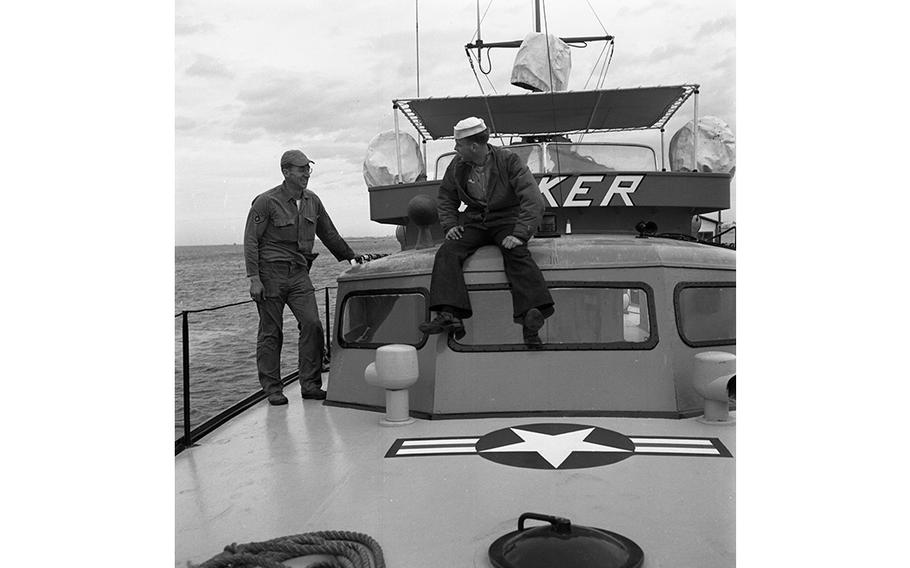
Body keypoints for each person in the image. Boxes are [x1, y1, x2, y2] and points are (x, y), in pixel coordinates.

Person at [418, 117, 554, 346]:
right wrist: (450, 226)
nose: (455, 149)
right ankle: (450, 316)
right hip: (476, 221)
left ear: (473, 146)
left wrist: (520, 234)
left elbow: (533, 199)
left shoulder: (508, 160)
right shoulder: (457, 165)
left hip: (506, 219)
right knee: (448, 252)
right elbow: (446, 197)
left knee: (517, 253)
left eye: (458, 144)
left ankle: (532, 317)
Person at [244, 149, 361, 405]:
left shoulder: (313, 201)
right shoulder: (265, 201)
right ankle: (273, 388)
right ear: (286, 172)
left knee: (313, 325)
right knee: (271, 332)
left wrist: (351, 257)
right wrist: (254, 277)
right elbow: (251, 240)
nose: (306, 173)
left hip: (299, 274)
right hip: (270, 273)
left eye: (308, 168)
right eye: (301, 169)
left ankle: (310, 384)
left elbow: (329, 234)